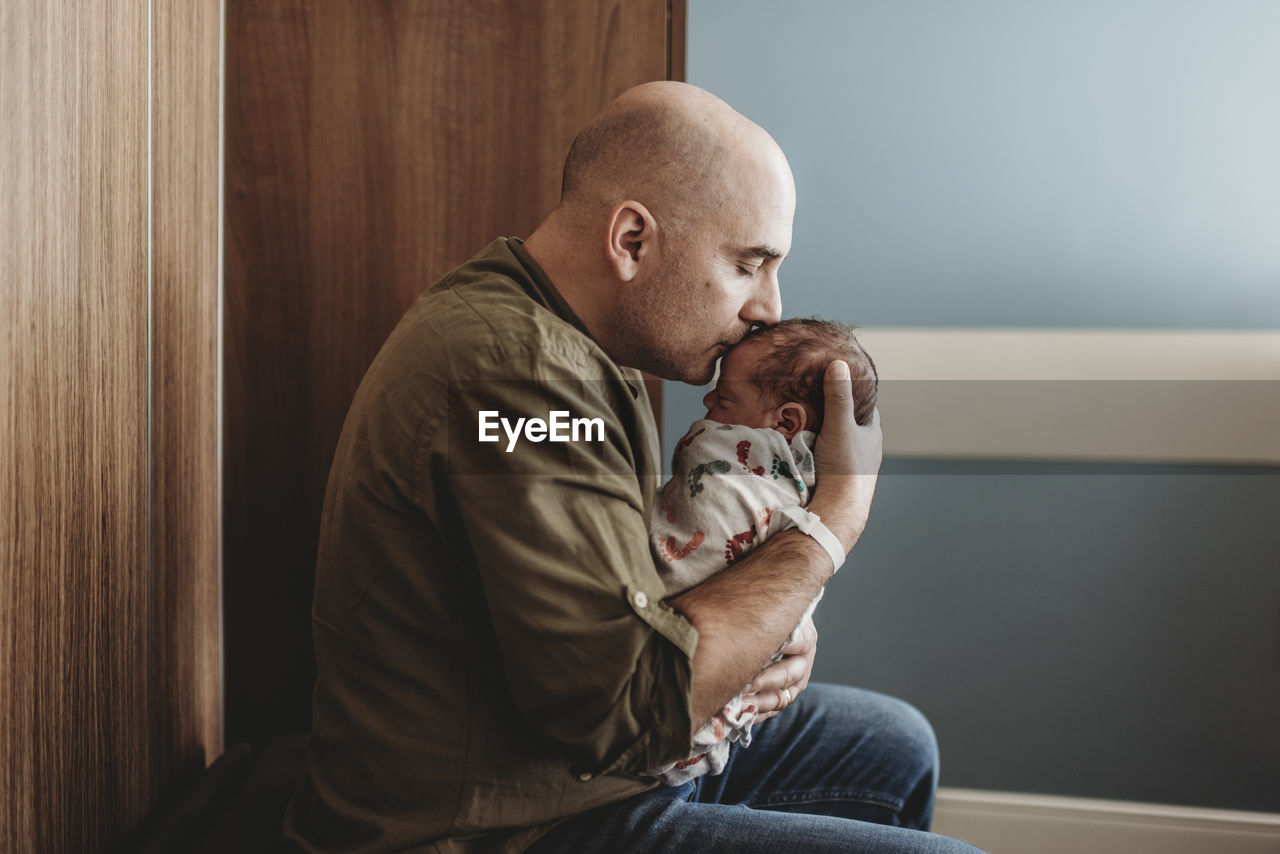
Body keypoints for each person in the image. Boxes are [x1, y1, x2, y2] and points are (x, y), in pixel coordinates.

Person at [284, 81, 984, 854]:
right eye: (749, 264)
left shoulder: (570, 345)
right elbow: (626, 709)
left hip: (565, 761)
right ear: (631, 241)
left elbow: (627, 593)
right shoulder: (520, 382)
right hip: (498, 823)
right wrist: (831, 526)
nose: (768, 308)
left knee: (895, 744)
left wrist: (769, 623)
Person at [645, 318, 878, 786]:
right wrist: (842, 510)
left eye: (724, 399)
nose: (709, 405)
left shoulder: (741, 457)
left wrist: (777, 632)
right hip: (658, 728)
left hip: (700, 714)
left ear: (785, 423)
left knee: (901, 743)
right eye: (749, 264)